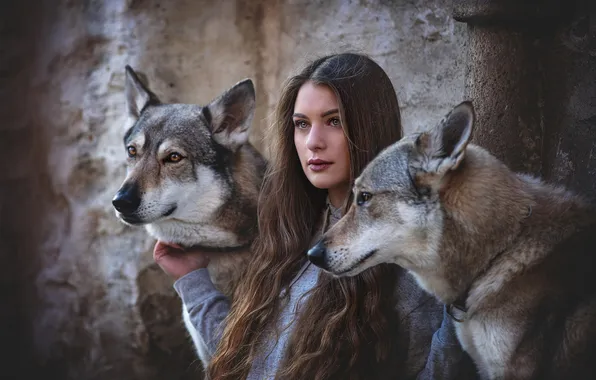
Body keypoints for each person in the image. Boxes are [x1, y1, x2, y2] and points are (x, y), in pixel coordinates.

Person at [153, 53, 477, 379]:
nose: (313, 142)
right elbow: (249, 365)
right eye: (302, 124)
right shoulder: (290, 232)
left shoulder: (406, 260)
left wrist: (460, 311)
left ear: (368, 128)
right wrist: (192, 281)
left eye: (334, 121)